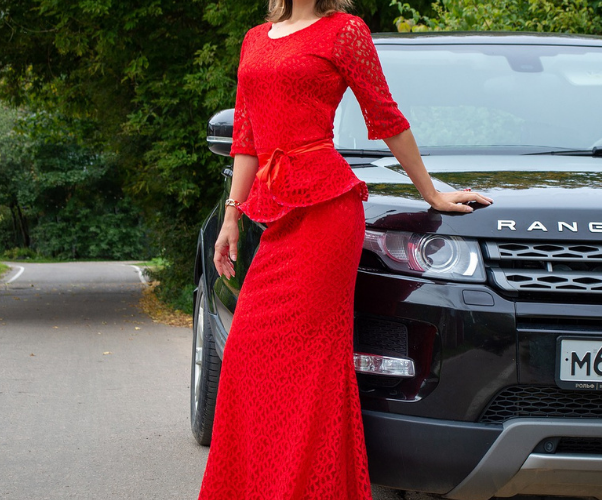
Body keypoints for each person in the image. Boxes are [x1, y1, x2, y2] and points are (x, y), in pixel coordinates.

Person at [199, 0, 492, 498]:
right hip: (277, 212)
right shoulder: (254, 39)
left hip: (327, 215)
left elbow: (385, 114)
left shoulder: (344, 31)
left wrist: (432, 193)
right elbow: (246, 136)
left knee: (312, 365)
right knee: (247, 353)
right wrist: (232, 214)